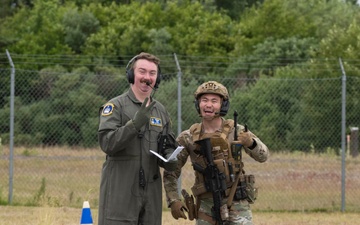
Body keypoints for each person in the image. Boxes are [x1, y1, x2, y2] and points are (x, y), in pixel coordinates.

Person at [163, 81, 269, 225]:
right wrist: (173, 200)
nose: (208, 105)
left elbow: (263, 156)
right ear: (198, 104)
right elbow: (170, 171)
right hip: (206, 205)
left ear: (223, 105)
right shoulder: (187, 137)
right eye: (204, 100)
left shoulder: (236, 131)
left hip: (237, 202)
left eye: (214, 101)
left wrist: (251, 143)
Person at [97, 52, 178, 225]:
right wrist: (135, 124)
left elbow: (167, 146)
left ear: (158, 78)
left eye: (152, 73)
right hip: (120, 193)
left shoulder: (161, 111)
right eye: (142, 71)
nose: (147, 77)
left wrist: (170, 158)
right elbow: (107, 143)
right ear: (132, 75)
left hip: (151, 196)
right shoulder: (115, 106)